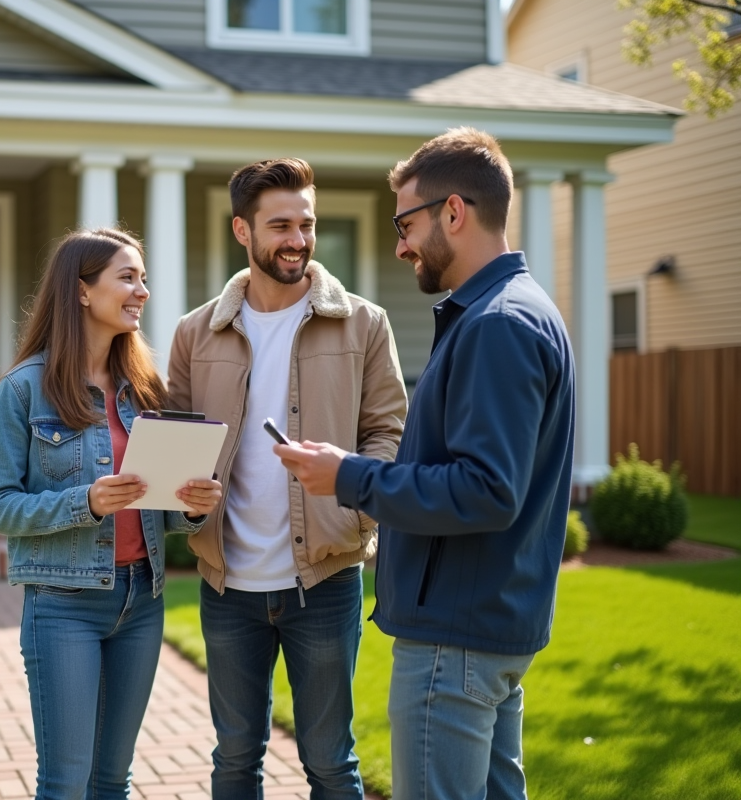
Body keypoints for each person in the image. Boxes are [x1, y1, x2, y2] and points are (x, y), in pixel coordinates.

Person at [274, 128, 576, 800]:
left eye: (405, 225)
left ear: (454, 212)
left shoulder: (498, 324)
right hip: (488, 626)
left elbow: (485, 489)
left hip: (456, 639)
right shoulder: (510, 311)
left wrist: (348, 477)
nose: (400, 246)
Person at [166, 158, 408, 798]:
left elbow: (389, 433)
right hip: (227, 583)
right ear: (242, 230)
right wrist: (190, 504)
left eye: (307, 224)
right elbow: (175, 451)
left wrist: (354, 498)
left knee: (330, 762)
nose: (298, 240)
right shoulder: (195, 333)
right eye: (281, 226)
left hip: (324, 579)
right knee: (234, 759)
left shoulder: (364, 323)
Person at [0, 227, 222, 800]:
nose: (143, 291)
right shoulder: (24, 389)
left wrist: (191, 508)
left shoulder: (145, 388)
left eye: (144, 279)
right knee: (65, 784)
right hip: (64, 604)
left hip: (142, 602)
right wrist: (84, 502)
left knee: (112, 781)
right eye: (128, 277)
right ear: (82, 290)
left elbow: (157, 505)